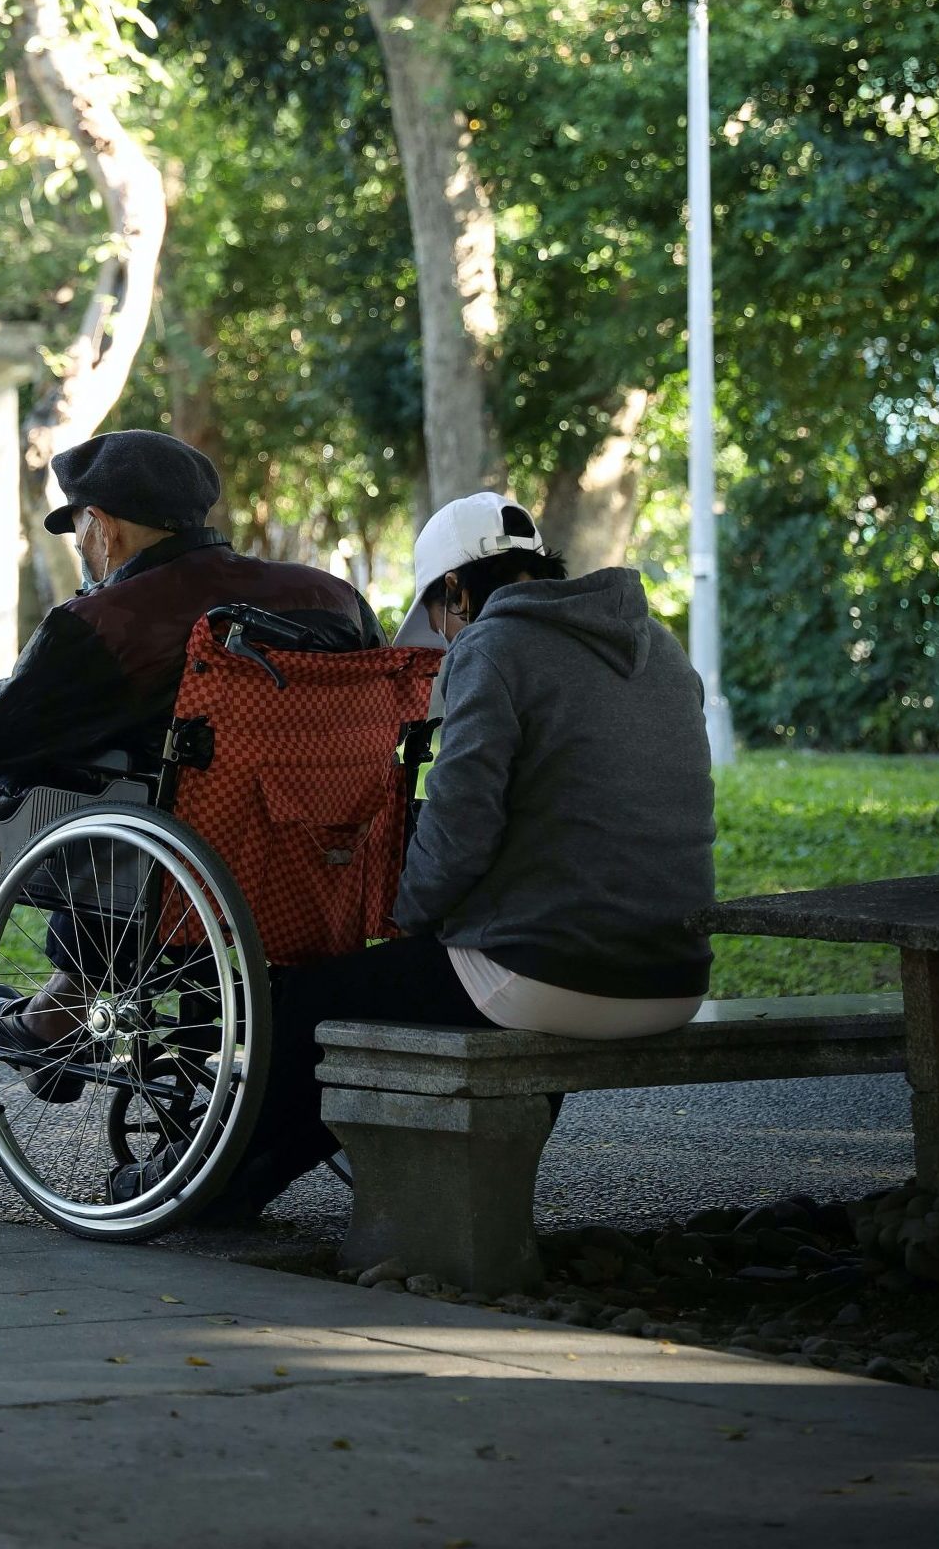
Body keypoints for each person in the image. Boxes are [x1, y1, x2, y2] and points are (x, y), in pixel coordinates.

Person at [0, 427, 382, 1072]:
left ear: (101, 526)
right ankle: (56, 1007)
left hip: (169, 861)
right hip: (315, 854)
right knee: (140, 788)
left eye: (79, 533)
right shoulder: (331, 598)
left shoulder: (113, 619)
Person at [218, 489, 718, 1218]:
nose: (446, 639)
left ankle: (215, 1183)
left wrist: (406, 915)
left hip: (549, 974)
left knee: (302, 1004)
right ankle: (242, 1186)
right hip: (672, 976)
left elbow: (459, 827)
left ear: (455, 589)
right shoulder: (660, 649)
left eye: (442, 616)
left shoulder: (493, 645)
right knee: (387, 996)